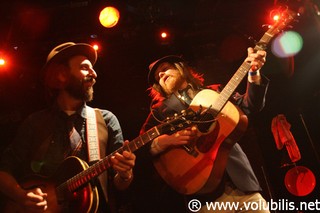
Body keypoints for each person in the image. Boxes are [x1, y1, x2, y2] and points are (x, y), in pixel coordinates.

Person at [0, 42, 136, 213]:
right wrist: (21, 196)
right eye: (85, 68)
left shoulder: (106, 120)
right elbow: (3, 169)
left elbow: (119, 185)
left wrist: (125, 174)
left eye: (92, 68)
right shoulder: (34, 123)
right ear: (61, 75)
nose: (94, 74)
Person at [131, 47, 270, 213]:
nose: (161, 75)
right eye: (157, 76)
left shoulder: (213, 92)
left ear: (181, 68)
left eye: (165, 68)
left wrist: (254, 72)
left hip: (242, 184)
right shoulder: (159, 112)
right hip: (204, 197)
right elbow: (138, 148)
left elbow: (250, 106)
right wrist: (165, 141)